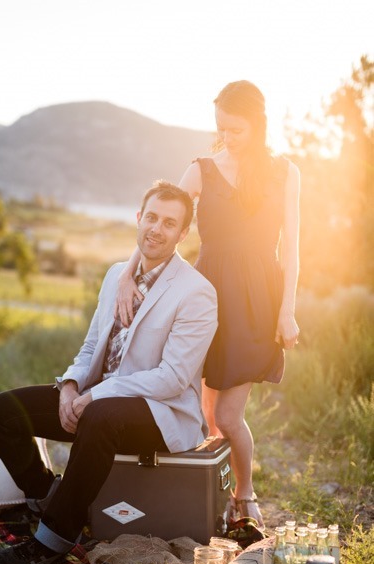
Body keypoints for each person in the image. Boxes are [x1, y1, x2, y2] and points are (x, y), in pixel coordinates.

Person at [0, 180, 218, 564]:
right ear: (139, 218)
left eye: (169, 223)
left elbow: (173, 378)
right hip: (95, 405)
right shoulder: (114, 277)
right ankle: (46, 497)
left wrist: (96, 396)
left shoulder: (197, 293)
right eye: (152, 217)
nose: (156, 229)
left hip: (161, 414)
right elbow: (91, 347)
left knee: (100, 415)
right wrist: (70, 386)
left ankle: (51, 538)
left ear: (183, 234)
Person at [116, 81, 300, 529]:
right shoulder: (201, 169)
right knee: (196, 412)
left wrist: (287, 310)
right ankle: (199, 493)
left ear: (257, 125)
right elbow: (163, 221)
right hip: (202, 297)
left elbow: (292, 248)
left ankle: (245, 493)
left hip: (257, 301)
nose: (227, 138)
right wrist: (127, 273)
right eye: (221, 128)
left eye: (236, 130)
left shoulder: (285, 172)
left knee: (227, 415)